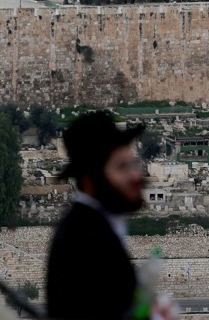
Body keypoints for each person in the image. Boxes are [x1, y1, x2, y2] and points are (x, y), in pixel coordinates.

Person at [46, 110, 157, 319]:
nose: (136, 175)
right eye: (123, 167)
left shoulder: (95, 226)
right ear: (90, 181)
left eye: (134, 164)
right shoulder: (82, 238)